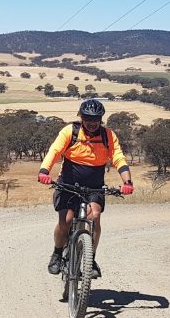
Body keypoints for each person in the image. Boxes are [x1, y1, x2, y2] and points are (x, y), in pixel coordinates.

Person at [38, 99, 133, 278]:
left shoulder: (107, 136)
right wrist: (44, 171)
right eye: (88, 118)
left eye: (96, 119)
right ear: (81, 117)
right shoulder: (70, 131)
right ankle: (57, 254)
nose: (92, 122)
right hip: (67, 183)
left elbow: (118, 158)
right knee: (65, 220)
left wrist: (127, 182)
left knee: (95, 216)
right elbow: (55, 151)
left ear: (101, 119)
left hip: (94, 187)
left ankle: (91, 258)